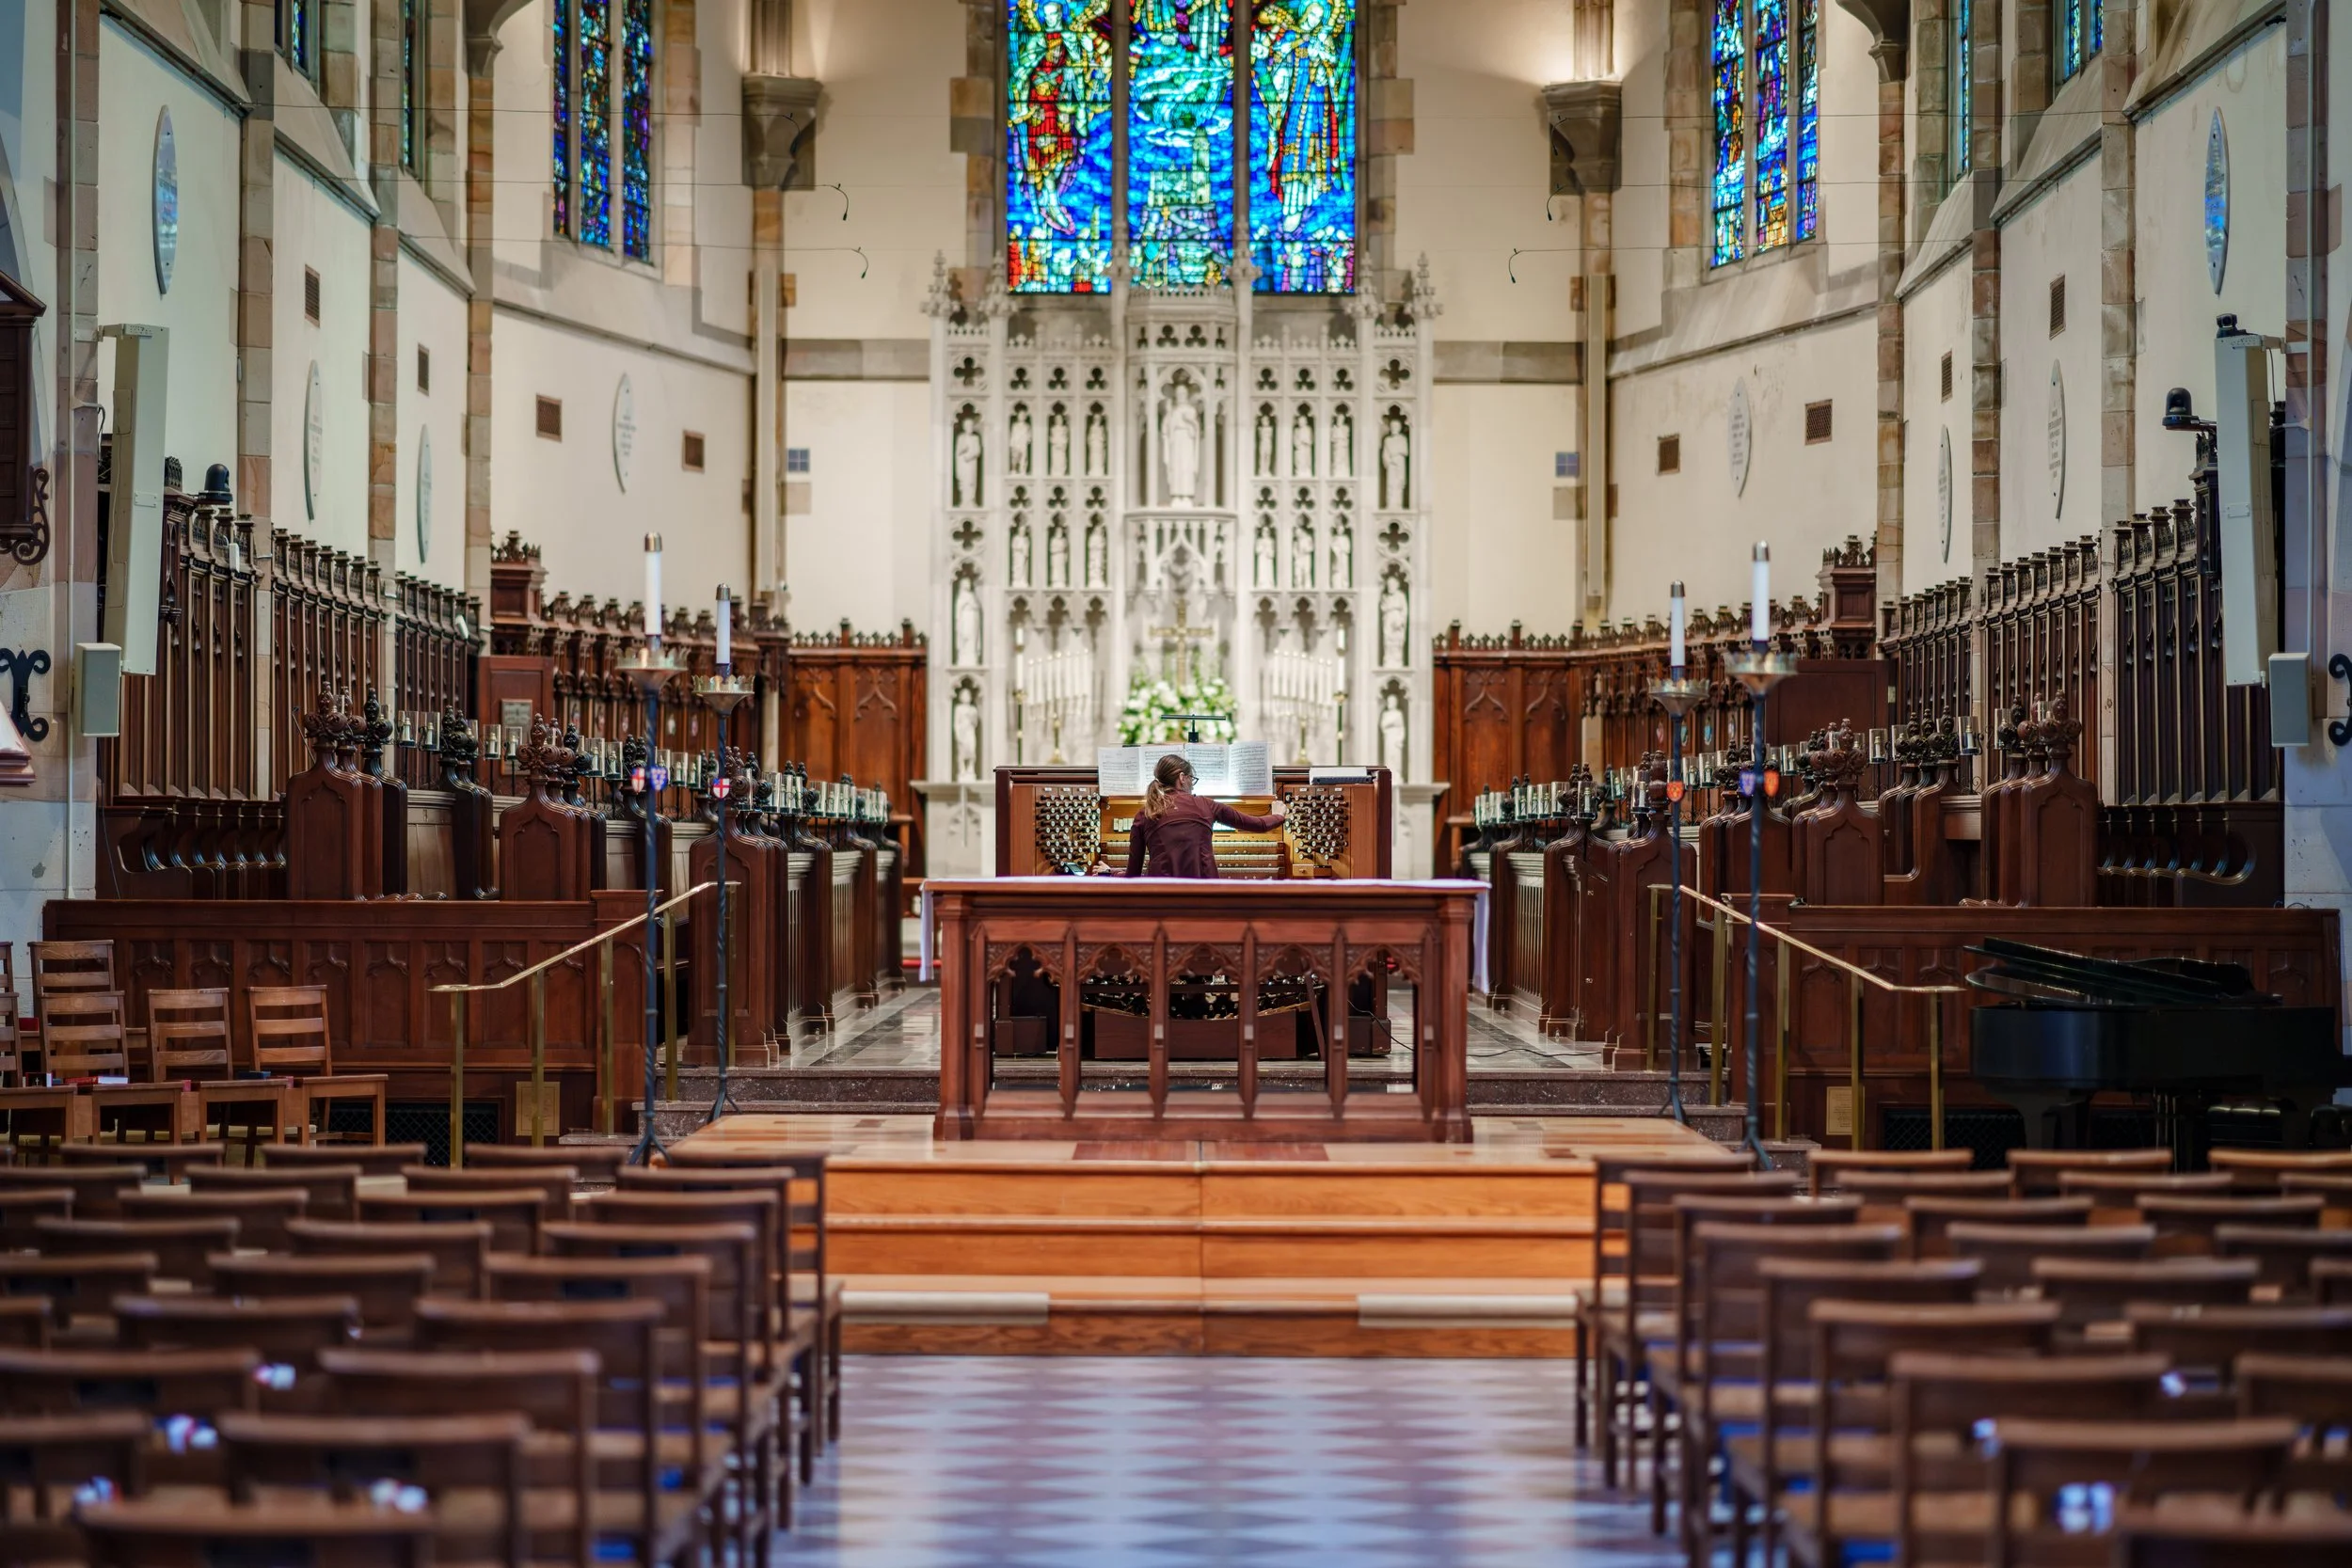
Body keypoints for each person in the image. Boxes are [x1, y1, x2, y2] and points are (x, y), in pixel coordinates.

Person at [1103, 753, 1286, 879]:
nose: (1193, 785)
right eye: (1192, 779)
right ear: (1182, 778)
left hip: (1160, 902)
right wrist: (1278, 815)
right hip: (1206, 899)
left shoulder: (1144, 813)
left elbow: (1132, 877)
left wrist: (1111, 872)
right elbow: (1258, 824)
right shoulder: (1206, 804)